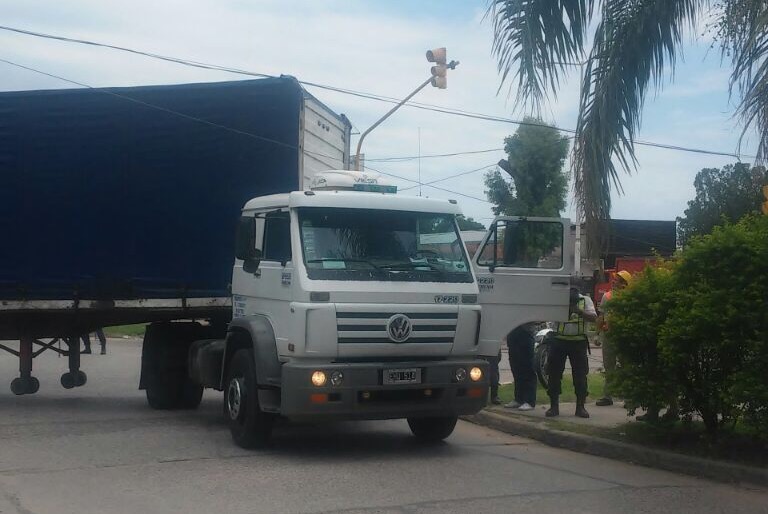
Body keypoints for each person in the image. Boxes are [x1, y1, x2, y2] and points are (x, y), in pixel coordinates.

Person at [546, 286, 597, 418]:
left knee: (580, 376)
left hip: (578, 343)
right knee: (554, 374)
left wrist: (579, 311)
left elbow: (593, 317)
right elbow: (548, 317)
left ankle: (580, 407)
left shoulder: (585, 300)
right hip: (558, 341)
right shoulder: (558, 300)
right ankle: (554, 406)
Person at [595, 270, 631, 407]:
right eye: (615, 279)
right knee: (609, 366)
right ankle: (607, 396)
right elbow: (601, 317)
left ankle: (629, 398)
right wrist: (598, 335)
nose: (614, 282)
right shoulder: (607, 296)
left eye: (618, 280)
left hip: (623, 336)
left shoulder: (630, 297)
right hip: (609, 335)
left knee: (626, 366)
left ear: (625, 283)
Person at [504, 323, 537, 411]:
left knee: (527, 368)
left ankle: (530, 401)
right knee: (516, 368)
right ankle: (519, 399)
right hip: (512, 333)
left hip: (526, 333)